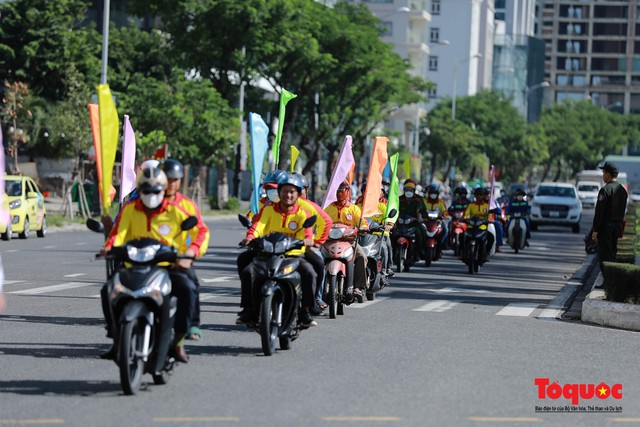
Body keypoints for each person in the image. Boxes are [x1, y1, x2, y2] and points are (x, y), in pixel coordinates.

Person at [101, 166, 205, 363]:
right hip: (135, 266)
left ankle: (179, 339)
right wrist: (109, 247)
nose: (151, 195)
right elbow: (118, 233)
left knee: (188, 287)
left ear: (164, 189)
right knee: (107, 289)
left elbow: (200, 231)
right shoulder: (129, 209)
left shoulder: (177, 209)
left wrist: (189, 253)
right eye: (146, 190)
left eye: (156, 190)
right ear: (138, 189)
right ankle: (116, 337)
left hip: (167, 265)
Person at [236, 173, 318, 327]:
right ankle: (248, 309)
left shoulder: (302, 213)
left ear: (298, 194)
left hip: (293, 255)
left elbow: (307, 231)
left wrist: (308, 240)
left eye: (291, 192)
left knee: (310, 272)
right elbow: (258, 226)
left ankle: (306, 310)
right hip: (267, 254)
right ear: (279, 192)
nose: (288, 195)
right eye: (285, 191)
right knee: (247, 269)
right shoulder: (268, 210)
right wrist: (250, 237)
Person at [162, 159, 211, 341]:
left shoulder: (188, 205)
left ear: (180, 181)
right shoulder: (147, 202)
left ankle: (192, 324)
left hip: (178, 258)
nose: (170, 183)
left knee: (191, 284)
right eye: (166, 179)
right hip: (150, 257)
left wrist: (191, 252)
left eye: (174, 179)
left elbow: (202, 231)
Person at [324, 180, 368, 299]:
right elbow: (321, 222)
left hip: (349, 241)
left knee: (361, 257)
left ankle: (358, 287)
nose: (339, 193)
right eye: (337, 190)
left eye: (342, 190)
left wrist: (363, 228)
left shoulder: (354, 209)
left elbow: (362, 223)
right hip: (329, 242)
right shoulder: (329, 208)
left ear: (347, 191)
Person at [296, 173, 333, 313]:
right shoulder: (274, 207)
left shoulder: (310, 207)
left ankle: (316, 297)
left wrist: (317, 242)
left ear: (306, 190)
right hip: (281, 247)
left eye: (298, 189)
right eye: (286, 190)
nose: (291, 194)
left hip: (305, 248)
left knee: (319, 264)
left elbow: (327, 222)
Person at [592, 162, 628, 270]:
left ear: (608, 174)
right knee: (613, 252)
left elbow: (599, 212)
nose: (603, 175)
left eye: (604, 172)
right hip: (617, 226)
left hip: (606, 227)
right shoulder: (623, 191)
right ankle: (611, 277)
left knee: (604, 255)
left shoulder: (605, 190)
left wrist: (595, 230)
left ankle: (607, 280)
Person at [399, 178, 427, 259]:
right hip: (401, 223)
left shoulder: (419, 199)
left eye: (411, 190)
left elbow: (423, 210)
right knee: (392, 234)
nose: (409, 191)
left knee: (421, 232)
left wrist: (420, 217)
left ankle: (420, 252)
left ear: (414, 190)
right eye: (407, 190)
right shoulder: (400, 199)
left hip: (414, 223)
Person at [464, 187, 495, 257]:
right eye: (477, 194)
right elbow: (465, 214)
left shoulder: (487, 206)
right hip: (471, 227)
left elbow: (491, 216)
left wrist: (490, 220)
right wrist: (464, 219)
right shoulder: (471, 205)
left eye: (481, 194)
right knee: (461, 236)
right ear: (475, 196)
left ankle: (486, 253)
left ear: (483, 195)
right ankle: (463, 253)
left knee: (491, 237)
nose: (479, 196)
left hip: (482, 228)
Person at [422, 184, 449, 249]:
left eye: (434, 193)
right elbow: (420, 209)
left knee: (445, 230)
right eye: (431, 193)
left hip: (437, 222)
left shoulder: (441, 202)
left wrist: (443, 215)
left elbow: (445, 212)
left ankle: (441, 245)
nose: (433, 194)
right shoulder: (424, 201)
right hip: (425, 222)